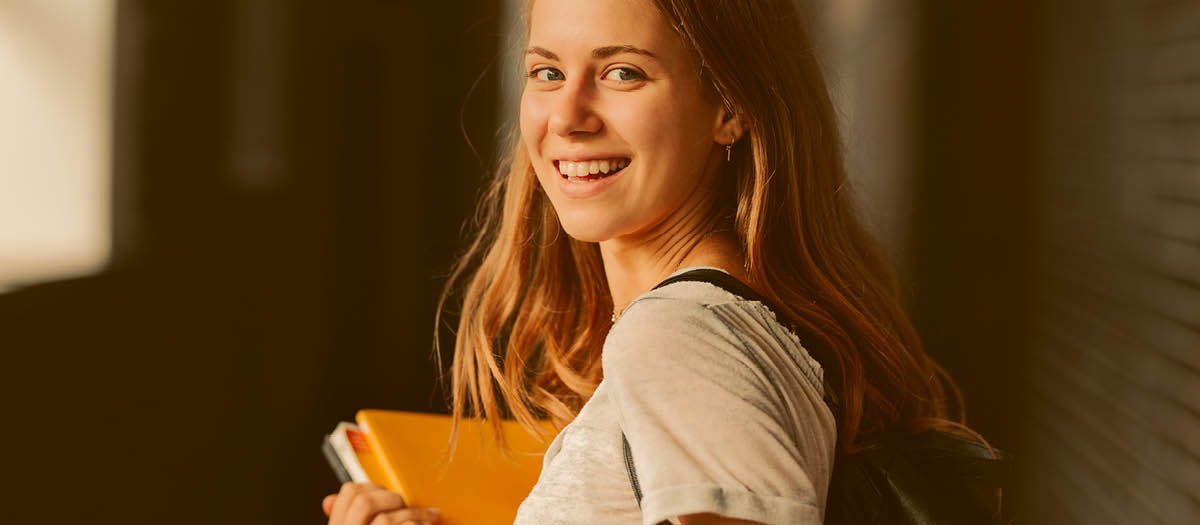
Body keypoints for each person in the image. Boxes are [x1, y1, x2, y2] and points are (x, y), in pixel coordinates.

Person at [322, 0, 991, 523]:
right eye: (547, 71)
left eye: (623, 72)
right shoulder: (730, 326)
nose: (569, 114)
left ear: (729, 105)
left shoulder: (679, 337)